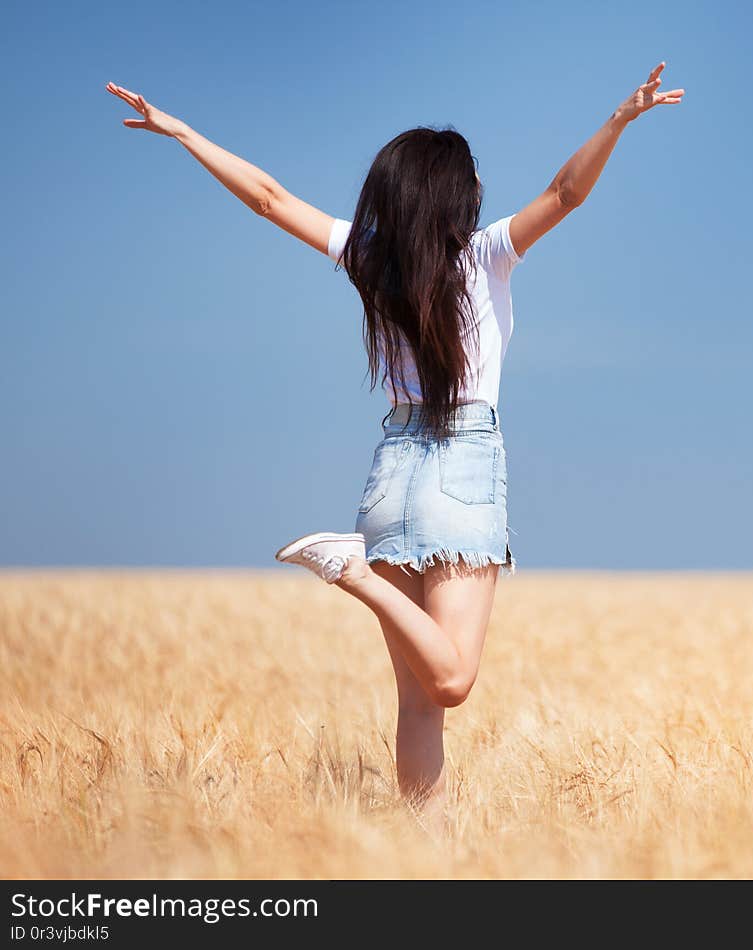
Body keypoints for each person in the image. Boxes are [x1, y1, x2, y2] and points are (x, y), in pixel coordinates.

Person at [106, 64, 684, 830]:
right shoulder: (487, 255)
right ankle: (348, 571)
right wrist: (618, 120)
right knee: (451, 683)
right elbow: (567, 193)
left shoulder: (371, 261)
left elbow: (269, 199)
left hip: (392, 475)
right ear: (455, 196)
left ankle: (423, 858)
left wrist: (185, 135)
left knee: (418, 705)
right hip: (464, 467)